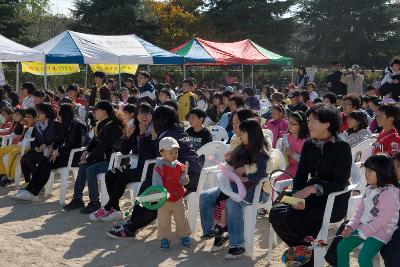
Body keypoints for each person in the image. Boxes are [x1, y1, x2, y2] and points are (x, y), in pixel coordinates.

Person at [269, 103, 352, 267]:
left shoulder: (342, 147)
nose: (309, 124)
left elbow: (340, 182)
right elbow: (300, 176)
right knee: (276, 211)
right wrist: (299, 195)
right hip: (308, 198)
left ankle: (306, 256)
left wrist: (312, 189)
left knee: (294, 219)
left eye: (314, 121)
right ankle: (308, 252)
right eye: (308, 120)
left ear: (327, 123)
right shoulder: (309, 144)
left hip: (333, 200)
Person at [107, 105, 202, 238]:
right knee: (153, 179)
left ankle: (131, 226)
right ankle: (133, 222)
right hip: (196, 177)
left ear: (159, 120)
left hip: (181, 177)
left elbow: (148, 157)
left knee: (152, 190)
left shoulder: (165, 137)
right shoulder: (180, 131)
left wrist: (146, 136)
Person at [200, 119, 269, 258]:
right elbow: (232, 165)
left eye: (242, 133)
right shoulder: (241, 147)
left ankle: (237, 245)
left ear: (252, 134)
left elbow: (262, 173)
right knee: (205, 196)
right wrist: (228, 160)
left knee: (231, 202)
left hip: (253, 191)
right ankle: (213, 230)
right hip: (232, 188)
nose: (240, 135)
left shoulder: (261, 152)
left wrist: (246, 174)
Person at [89, 103, 157, 222]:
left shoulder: (155, 131)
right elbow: (124, 151)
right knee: (110, 174)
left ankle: (108, 207)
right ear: (136, 116)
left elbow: (150, 155)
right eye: (141, 114)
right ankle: (115, 210)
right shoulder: (135, 128)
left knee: (123, 176)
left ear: (152, 116)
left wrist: (142, 136)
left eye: (147, 113)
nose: (144, 116)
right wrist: (127, 136)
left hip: (149, 168)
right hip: (136, 165)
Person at [12, 104, 87, 201]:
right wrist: (53, 148)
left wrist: (58, 151)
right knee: (44, 162)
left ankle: (34, 192)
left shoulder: (76, 125)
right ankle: (30, 190)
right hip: (64, 155)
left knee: (46, 163)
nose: (57, 115)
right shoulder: (65, 124)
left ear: (64, 114)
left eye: (59, 113)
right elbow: (59, 140)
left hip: (73, 157)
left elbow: (74, 144)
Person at [337, 154, 399, 267]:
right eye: (366, 170)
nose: (366, 174)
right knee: (342, 247)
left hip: (381, 232)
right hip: (364, 228)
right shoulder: (369, 190)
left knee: (363, 257)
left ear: (382, 172)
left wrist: (363, 233)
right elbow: (359, 212)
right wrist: (350, 226)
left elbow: (382, 220)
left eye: (370, 171)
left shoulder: (390, 193)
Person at [63, 101, 124, 214]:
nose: (93, 112)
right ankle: (77, 199)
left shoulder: (113, 126)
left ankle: (95, 202)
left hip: (114, 161)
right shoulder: (102, 123)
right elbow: (95, 141)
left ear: (104, 111)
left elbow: (102, 147)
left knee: (90, 169)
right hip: (105, 159)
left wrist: (88, 159)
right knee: (83, 166)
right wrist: (86, 151)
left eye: (96, 110)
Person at [153, 137, 192, 249]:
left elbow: (182, 181)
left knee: (181, 219)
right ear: (162, 152)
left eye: (176, 151)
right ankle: (165, 238)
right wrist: (160, 191)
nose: (174, 154)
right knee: (164, 221)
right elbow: (157, 182)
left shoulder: (179, 166)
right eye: (171, 152)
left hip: (178, 198)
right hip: (164, 200)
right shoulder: (159, 166)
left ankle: (183, 235)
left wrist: (185, 178)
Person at [19, 103, 57, 185]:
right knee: (23, 159)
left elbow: (55, 138)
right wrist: (36, 146)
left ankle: (38, 183)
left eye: (41, 113)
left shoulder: (53, 124)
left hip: (49, 151)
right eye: (38, 113)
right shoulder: (37, 124)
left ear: (46, 114)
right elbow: (34, 139)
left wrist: (45, 144)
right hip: (39, 150)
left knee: (29, 160)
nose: (38, 115)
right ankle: (28, 182)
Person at [275, 111, 308, 182]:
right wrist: (281, 151)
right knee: (273, 175)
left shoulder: (305, 141)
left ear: (301, 125)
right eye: (289, 122)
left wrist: (291, 153)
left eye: (293, 124)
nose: (289, 125)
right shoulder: (286, 137)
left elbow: (305, 161)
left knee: (279, 179)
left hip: (298, 167)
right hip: (285, 164)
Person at [0, 109, 28, 186]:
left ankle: (10, 177)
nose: (15, 116)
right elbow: (13, 133)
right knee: (1, 151)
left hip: (22, 146)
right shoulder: (16, 123)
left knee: (12, 154)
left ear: (23, 116)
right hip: (15, 145)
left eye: (17, 115)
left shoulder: (25, 123)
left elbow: (23, 135)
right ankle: (2, 173)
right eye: (15, 115)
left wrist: (13, 135)